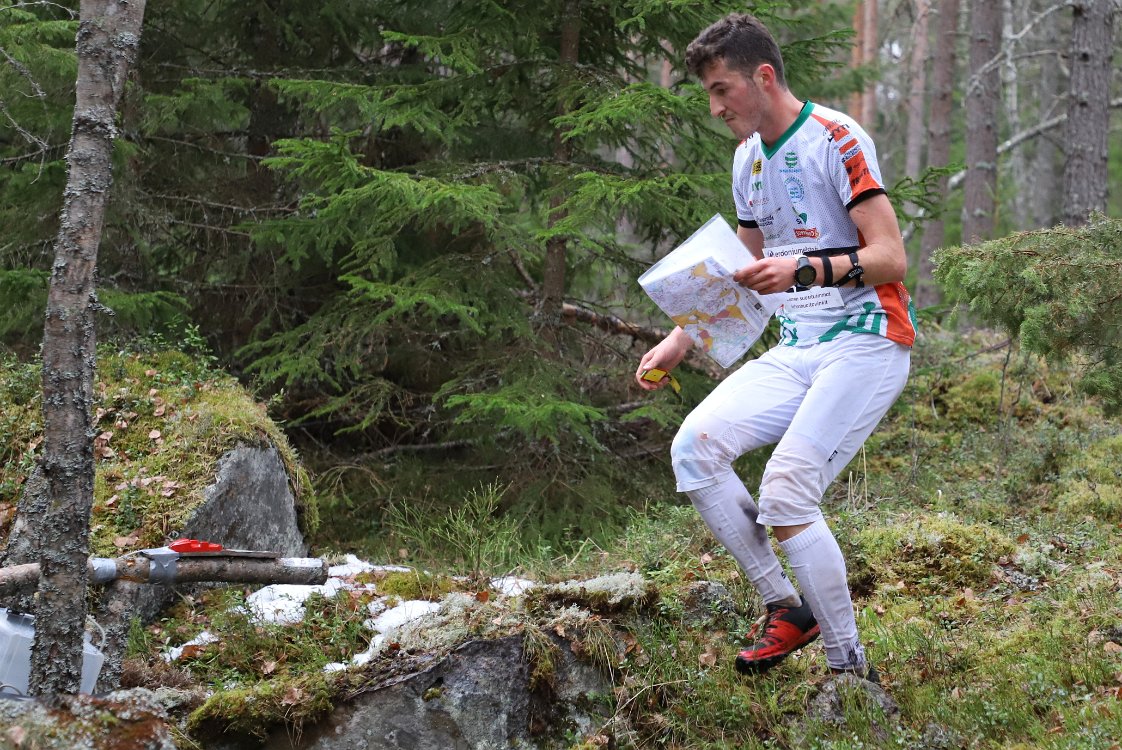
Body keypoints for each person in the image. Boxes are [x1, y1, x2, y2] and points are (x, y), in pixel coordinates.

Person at [635, 13, 915, 681]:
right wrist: (679, 339)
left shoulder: (837, 138)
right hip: (797, 348)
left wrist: (805, 270)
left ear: (763, 77)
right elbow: (741, 268)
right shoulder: (747, 160)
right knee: (694, 449)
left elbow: (891, 257)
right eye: (709, 93)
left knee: (786, 493)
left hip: (867, 341)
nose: (715, 107)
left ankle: (850, 674)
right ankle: (786, 607)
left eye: (722, 89)